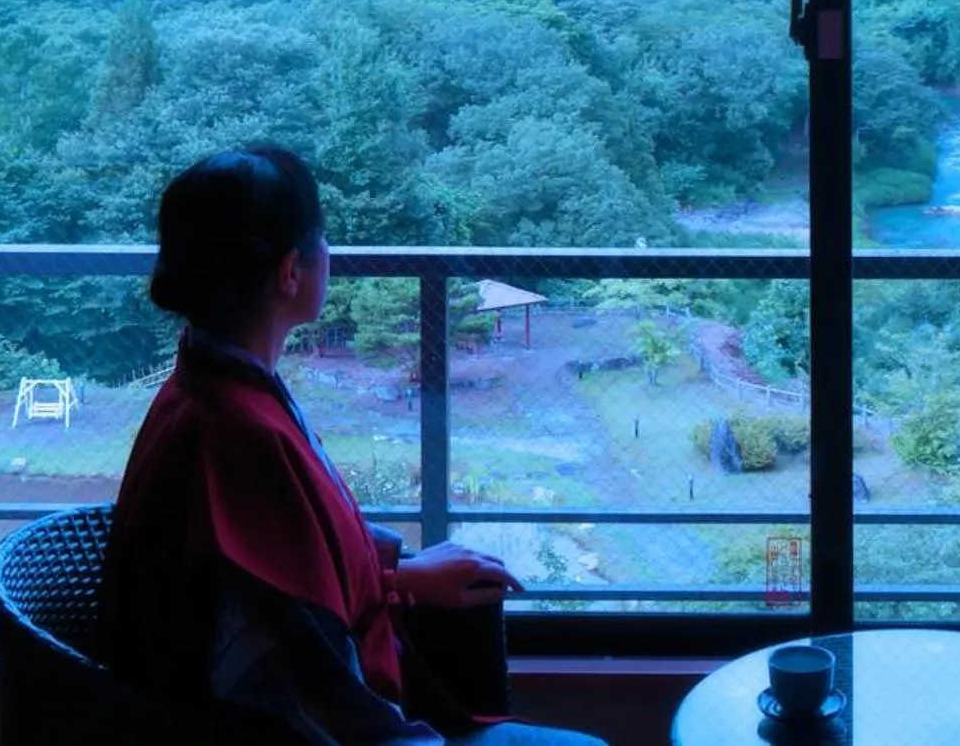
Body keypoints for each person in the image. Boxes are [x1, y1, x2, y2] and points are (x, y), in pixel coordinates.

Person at [103, 144, 607, 746]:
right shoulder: (239, 437)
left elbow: (286, 572)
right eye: (322, 240)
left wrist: (401, 577)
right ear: (291, 272)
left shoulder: (208, 386)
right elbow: (303, 687)